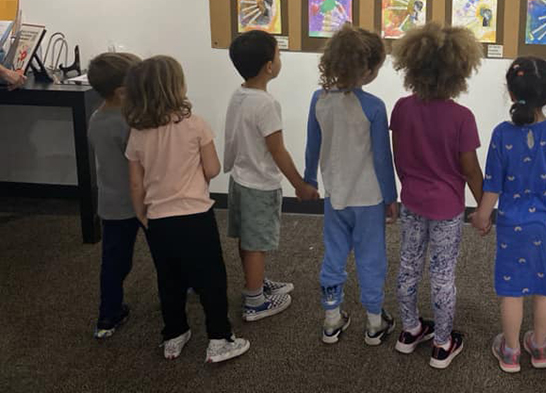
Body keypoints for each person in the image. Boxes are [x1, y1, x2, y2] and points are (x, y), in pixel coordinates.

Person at [124, 56, 249, 363]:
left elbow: (136, 184)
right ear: (176, 87)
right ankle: (219, 339)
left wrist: (142, 213)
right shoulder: (195, 125)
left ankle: (174, 335)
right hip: (195, 217)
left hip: (159, 220)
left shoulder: (138, 133)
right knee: (211, 280)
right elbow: (212, 168)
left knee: (169, 279)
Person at [471, 57, 546, 373]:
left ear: (513, 94)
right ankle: (540, 347)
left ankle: (511, 351)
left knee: (512, 291)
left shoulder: (502, 134)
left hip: (512, 224)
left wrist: (482, 216)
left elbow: (493, 185)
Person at [390, 22, 484, 369]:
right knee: (443, 275)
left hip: (411, 202)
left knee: (408, 267)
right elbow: (470, 170)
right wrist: (485, 208)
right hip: (447, 209)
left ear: (412, 66)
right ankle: (442, 344)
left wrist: (409, 185)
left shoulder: (402, 108)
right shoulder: (462, 118)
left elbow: (399, 156)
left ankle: (410, 329)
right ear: (460, 71)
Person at [302, 25, 397, 346]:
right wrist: (391, 196)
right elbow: (383, 159)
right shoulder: (374, 106)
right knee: (371, 258)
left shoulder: (319, 99)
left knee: (334, 254)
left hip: (335, 196)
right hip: (369, 198)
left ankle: (331, 318)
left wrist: (309, 179)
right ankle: (373, 323)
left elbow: (312, 146)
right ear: (367, 70)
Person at [224, 31, 320, 322]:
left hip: (240, 179)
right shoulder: (266, 104)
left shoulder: (239, 94)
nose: (280, 59)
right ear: (268, 66)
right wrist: (300, 185)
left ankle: (255, 283)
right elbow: (277, 150)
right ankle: (255, 301)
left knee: (247, 238)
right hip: (260, 185)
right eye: (278, 54)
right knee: (257, 243)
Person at [86, 52, 142, 338]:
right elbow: (140, 161)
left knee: (113, 262)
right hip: (138, 202)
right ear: (122, 91)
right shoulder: (127, 123)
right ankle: (187, 284)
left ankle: (108, 316)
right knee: (166, 249)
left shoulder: (96, 118)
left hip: (109, 204)